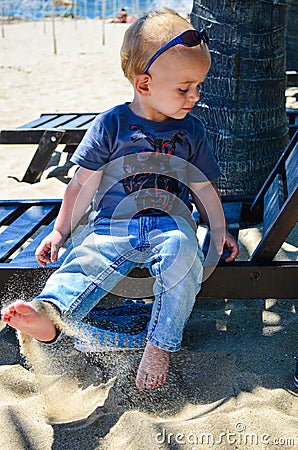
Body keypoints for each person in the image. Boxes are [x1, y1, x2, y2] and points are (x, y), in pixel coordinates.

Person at [1, 7, 239, 390]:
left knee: (183, 254)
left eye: (199, 86)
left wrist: (219, 229)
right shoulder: (111, 124)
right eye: (184, 88)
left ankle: (159, 346)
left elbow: (204, 189)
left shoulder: (192, 130)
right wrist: (60, 232)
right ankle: (49, 314)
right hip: (113, 225)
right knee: (82, 261)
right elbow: (81, 184)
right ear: (144, 84)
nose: (195, 96)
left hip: (171, 225)